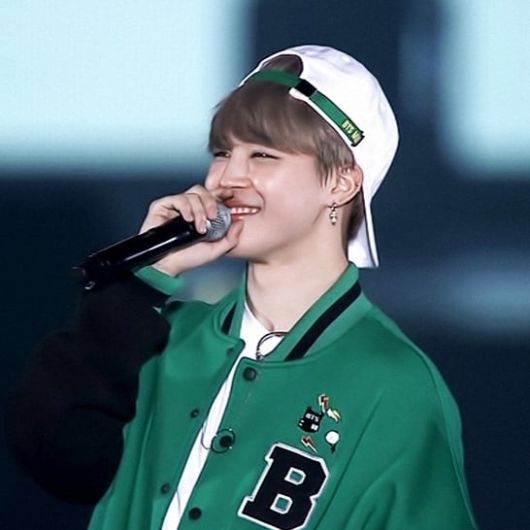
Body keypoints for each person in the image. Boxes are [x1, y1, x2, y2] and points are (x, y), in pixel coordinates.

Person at [6, 45, 478, 530]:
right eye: (222, 153)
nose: (228, 177)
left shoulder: (395, 383)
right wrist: (143, 280)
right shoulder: (163, 338)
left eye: (263, 155)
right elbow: (52, 455)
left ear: (340, 182)